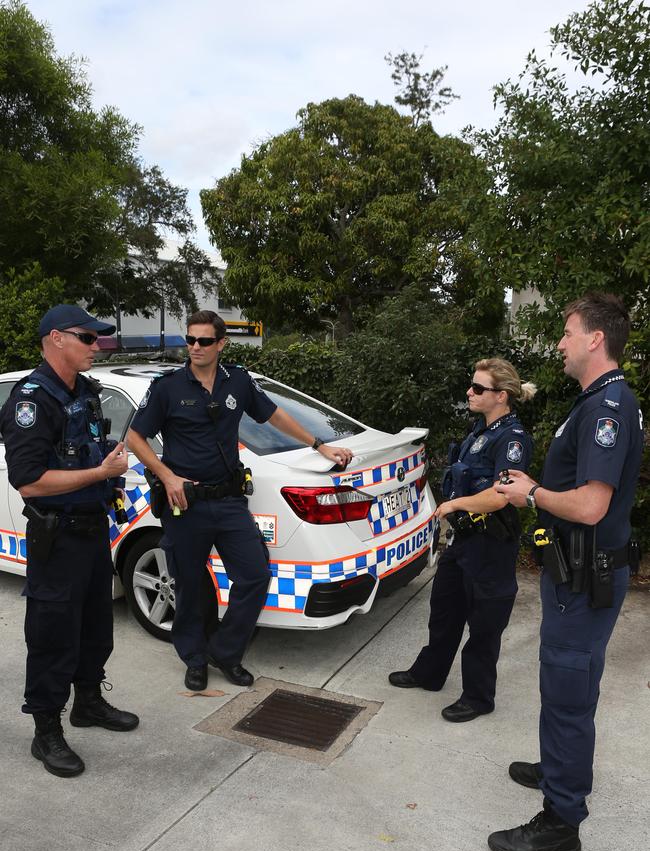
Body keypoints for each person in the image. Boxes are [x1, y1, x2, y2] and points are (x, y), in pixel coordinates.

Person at [489, 294, 643, 851]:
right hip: (575, 573)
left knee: (567, 693)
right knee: (570, 688)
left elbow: (591, 505)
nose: (560, 342)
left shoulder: (607, 409)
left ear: (595, 339)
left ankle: (561, 822)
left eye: (567, 332)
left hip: (583, 577)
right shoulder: (599, 400)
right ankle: (560, 770)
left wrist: (529, 493)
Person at [126, 310, 353, 693]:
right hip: (186, 503)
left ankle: (225, 652)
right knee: (190, 586)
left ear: (221, 344)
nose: (195, 347)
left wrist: (319, 444)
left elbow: (274, 416)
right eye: (190, 340)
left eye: (203, 341)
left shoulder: (239, 381)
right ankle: (194, 659)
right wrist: (167, 476)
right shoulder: (167, 388)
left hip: (229, 499)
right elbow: (135, 437)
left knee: (254, 575)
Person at [0, 304, 139, 779]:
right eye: (87, 338)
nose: (95, 346)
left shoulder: (87, 392)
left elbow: (89, 447)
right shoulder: (31, 401)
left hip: (93, 530)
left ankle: (89, 703)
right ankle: (46, 732)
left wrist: (108, 474)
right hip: (57, 538)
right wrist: (99, 472)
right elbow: (29, 481)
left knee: (96, 629)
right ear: (57, 338)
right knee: (53, 636)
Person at [389, 358, 535, 722]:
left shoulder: (512, 439)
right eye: (472, 386)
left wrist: (452, 504)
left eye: (478, 388)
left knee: (484, 626)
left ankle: (478, 697)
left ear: (501, 396)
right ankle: (430, 673)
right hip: (465, 540)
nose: (469, 392)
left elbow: (503, 494)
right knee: (444, 609)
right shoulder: (479, 430)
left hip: (491, 544)